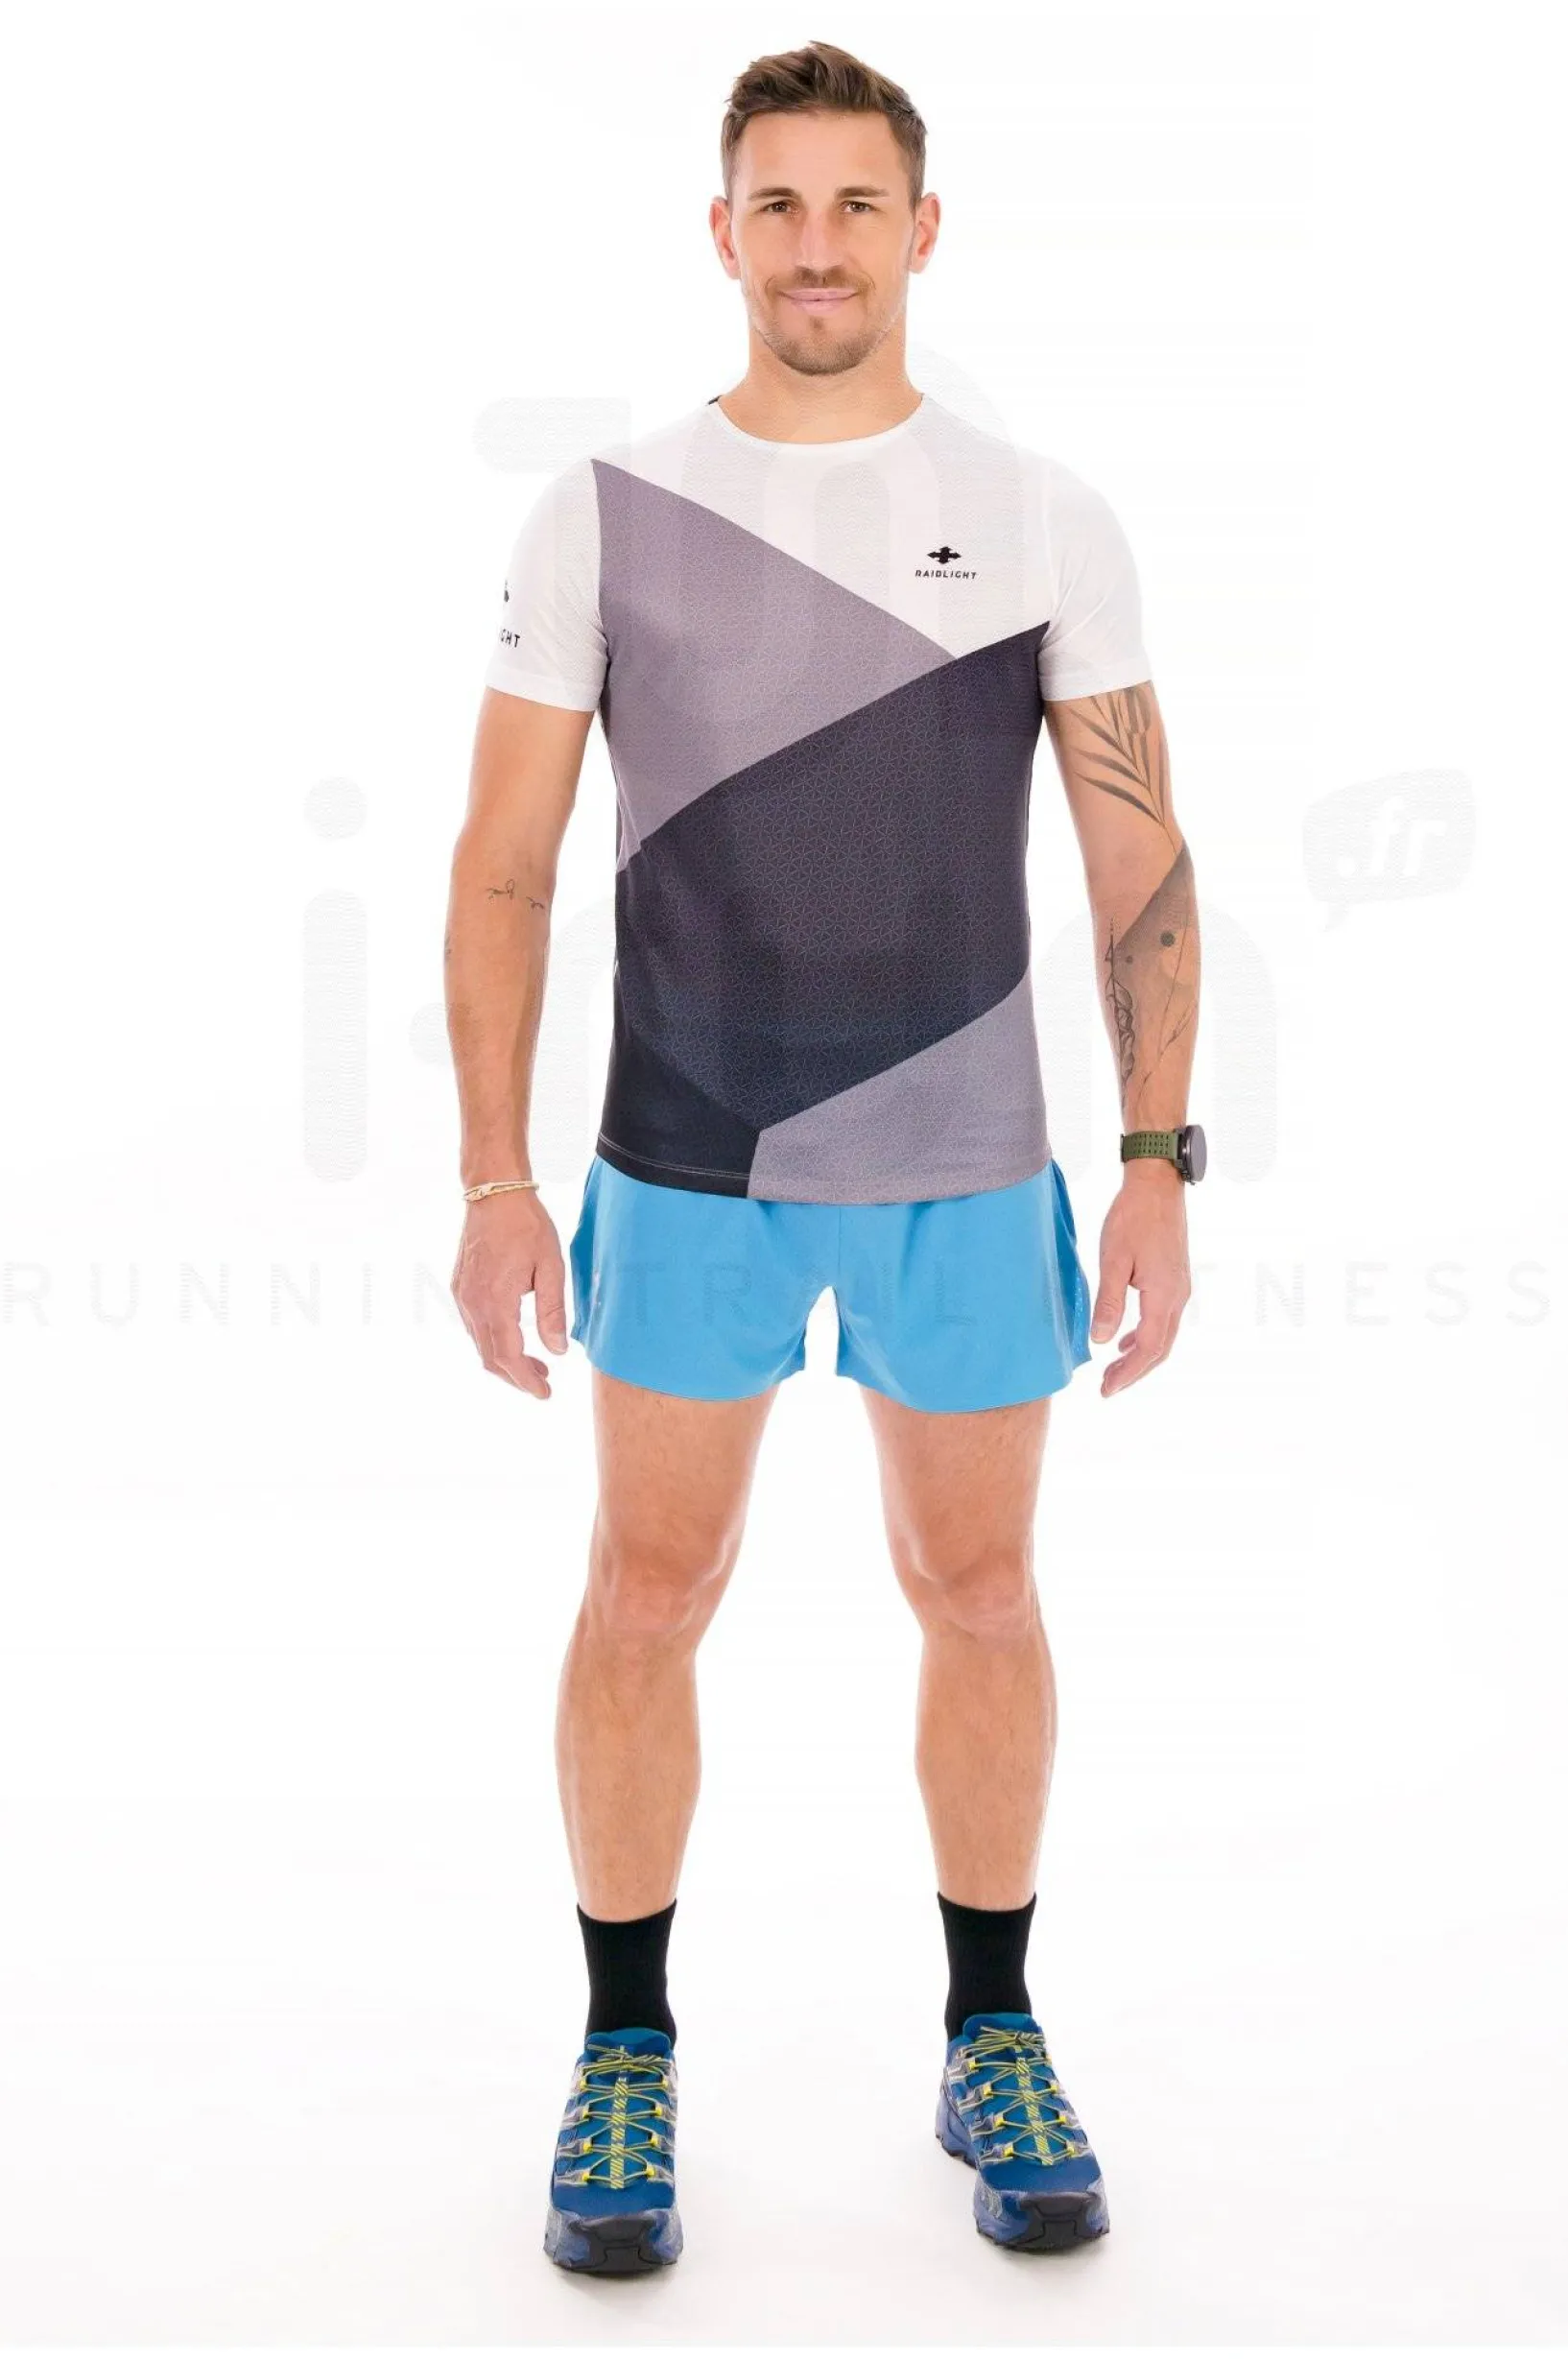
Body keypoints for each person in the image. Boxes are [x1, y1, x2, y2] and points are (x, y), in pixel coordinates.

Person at [445, 38, 1202, 2274]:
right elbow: (502, 865)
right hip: (685, 1157)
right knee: (646, 1589)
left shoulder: (1041, 511)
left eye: (855, 203)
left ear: (920, 230)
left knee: (979, 1590)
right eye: (775, 203)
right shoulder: (603, 508)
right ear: (720, 231)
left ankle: (991, 2027)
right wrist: (492, 1179)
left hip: (968, 1160)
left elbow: (1138, 853)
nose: (815, 244)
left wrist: (1156, 1154)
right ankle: (624, 2046)